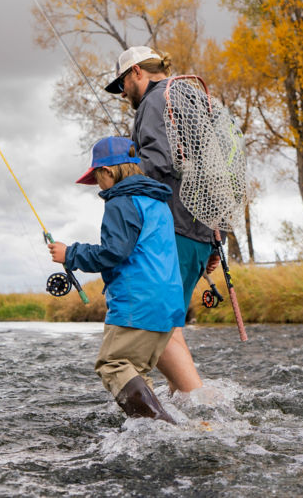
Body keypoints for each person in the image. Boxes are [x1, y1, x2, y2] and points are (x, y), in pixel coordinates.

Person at [103, 46, 220, 394]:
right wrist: (217, 238)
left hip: (172, 231)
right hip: (201, 231)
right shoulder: (199, 101)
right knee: (171, 323)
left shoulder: (156, 101)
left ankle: (201, 408)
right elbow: (220, 172)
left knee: (160, 323)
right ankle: (184, 406)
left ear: (137, 72)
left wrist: (122, 187)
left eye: (122, 82)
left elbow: (157, 163)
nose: (123, 93)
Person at [47, 136, 183, 424]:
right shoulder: (158, 201)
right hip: (169, 304)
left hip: (138, 303)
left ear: (108, 172)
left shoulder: (121, 201)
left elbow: (113, 253)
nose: (97, 184)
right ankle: (153, 429)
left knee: (113, 365)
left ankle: (168, 429)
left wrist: (70, 254)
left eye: (97, 177)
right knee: (136, 370)